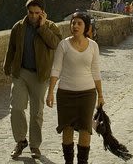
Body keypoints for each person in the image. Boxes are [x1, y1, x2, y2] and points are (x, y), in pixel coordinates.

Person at [3, 0, 63, 160]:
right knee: (16, 108)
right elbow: (12, 49)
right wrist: (7, 67)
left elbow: (56, 45)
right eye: (31, 12)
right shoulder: (18, 27)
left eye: (37, 13)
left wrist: (42, 28)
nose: (33, 16)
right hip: (21, 73)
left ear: (43, 12)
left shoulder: (51, 27)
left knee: (36, 112)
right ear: (27, 11)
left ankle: (35, 145)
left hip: (40, 75)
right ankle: (21, 141)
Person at [46, 12, 105, 164]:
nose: (75, 26)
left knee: (86, 128)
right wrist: (50, 92)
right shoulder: (63, 45)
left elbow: (96, 71)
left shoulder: (93, 46)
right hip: (66, 93)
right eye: (73, 23)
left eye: (79, 23)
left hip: (87, 93)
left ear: (86, 26)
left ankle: (82, 162)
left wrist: (100, 95)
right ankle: (68, 162)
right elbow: (56, 69)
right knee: (67, 127)